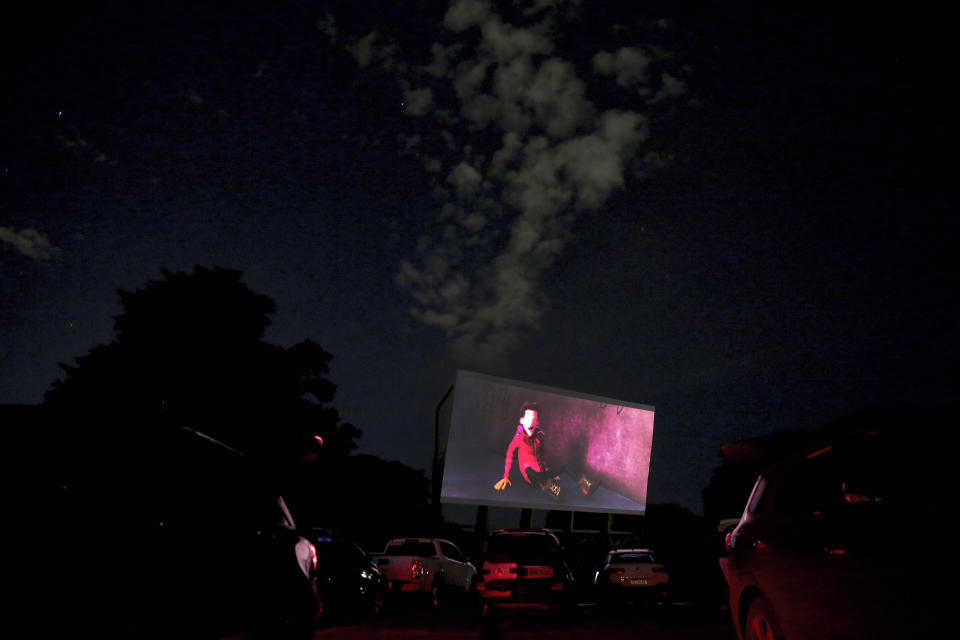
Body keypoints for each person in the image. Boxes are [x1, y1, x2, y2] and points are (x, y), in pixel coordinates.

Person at [494, 401, 563, 499]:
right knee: (529, 470)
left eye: (534, 419)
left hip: (541, 472)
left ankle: (585, 486)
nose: (531, 422)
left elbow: (541, 455)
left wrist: (547, 470)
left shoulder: (539, 437)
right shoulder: (518, 438)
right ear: (522, 420)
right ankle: (552, 488)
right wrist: (505, 476)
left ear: (537, 422)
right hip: (530, 476)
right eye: (528, 419)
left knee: (565, 467)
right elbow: (510, 455)